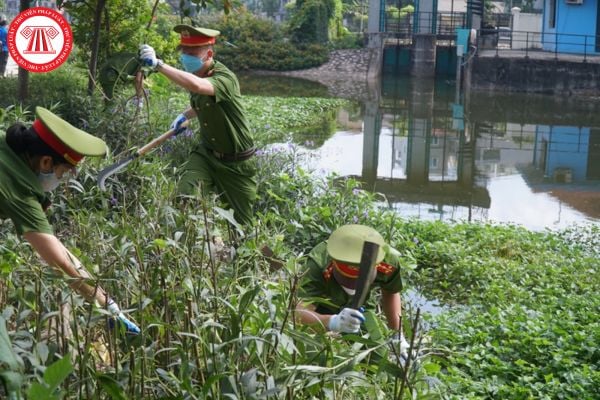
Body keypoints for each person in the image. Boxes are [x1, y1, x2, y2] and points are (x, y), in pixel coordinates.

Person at [0, 107, 140, 334]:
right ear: (46, 162)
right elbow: (62, 263)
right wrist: (108, 305)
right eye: (63, 172)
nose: (62, 181)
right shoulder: (20, 190)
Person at [138, 25, 257, 226]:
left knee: (242, 225)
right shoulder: (198, 74)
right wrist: (184, 115)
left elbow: (198, 87)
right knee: (186, 196)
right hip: (206, 154)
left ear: (209, 53)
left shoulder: (225, 78)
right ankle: (197, 242)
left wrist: (158, 64)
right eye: (184, 51)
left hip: (236, 162)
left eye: (192, 53)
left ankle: (233, 248)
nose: (186, 57)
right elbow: (201, 101)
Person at [295, 224, 409, 355]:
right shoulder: (319, 261)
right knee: (310, 354)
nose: (353, 287)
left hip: (361, 309)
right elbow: (299, 311)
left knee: (376, 354)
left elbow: (391, 291)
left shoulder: (387, 261)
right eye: (348, 280)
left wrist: (397, 334)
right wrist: (332, 322)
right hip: (322, 306)